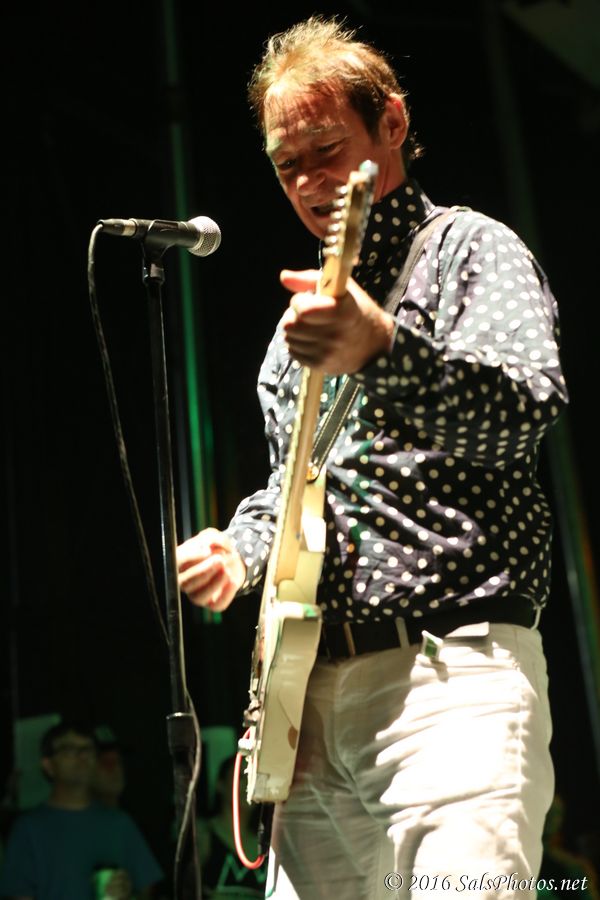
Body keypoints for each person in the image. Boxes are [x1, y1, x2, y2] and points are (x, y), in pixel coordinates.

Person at [177, 16, 569, 900]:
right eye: (288, 165)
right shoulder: (291, 341)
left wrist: (381, 347)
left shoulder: (469, 248)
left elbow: (522, 412)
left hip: (451, 676)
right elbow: (294, 492)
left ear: (391, 123)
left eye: (327, 150)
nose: (310, 182)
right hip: (308, 702)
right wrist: (238, 548)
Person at [0, 721, 163, 900]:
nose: (82, 756)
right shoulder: (28, 829)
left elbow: (147, 889)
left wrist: (128, 894)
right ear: (48, 765)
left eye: (88, 749)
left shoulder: (119, 823)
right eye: (69, 750)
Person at [197, 755, 266, 898]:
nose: (249, 784)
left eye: (254, 778)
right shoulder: (203, 834)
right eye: (241, 777)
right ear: (220, 785)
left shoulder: (267, 843)